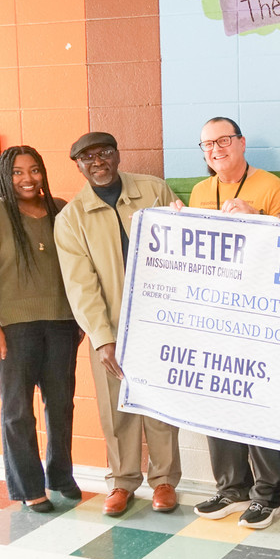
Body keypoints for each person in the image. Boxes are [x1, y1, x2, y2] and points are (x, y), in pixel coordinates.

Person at [174, 117, 280, 529]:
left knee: (260, 400)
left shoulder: (272, 188)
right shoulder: (200, 191)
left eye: (224, 140)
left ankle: (268, 495)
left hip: (261, 316)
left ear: (241, 143)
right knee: (218, 399)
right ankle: (231, 489)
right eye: (208, 144)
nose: (216, 149)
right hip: (215, 316)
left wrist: (256, 216)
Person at [54, 132, 182, 517]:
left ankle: (164, 481)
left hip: (160, 321)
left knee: (160, 402)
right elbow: (81, 285)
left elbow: (182, 250)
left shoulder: (154, 190)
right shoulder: (71, 218)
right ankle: (122, 481)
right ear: (78, 166)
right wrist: (102, 338)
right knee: (116, 408)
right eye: (87, 158)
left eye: (105, 153)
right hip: (111, 327)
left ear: (117, 155)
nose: (98, 162)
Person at [0, 146, 82, 513]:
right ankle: (29, 487)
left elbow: (78, 267)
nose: (28, 178)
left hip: (61, 323)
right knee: (18, 411)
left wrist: (79, 319)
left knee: (61, 405)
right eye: (17, 172)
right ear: (6, 175)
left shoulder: (60, 210)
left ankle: (60, 476)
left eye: (34, 170)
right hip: (12, 327)